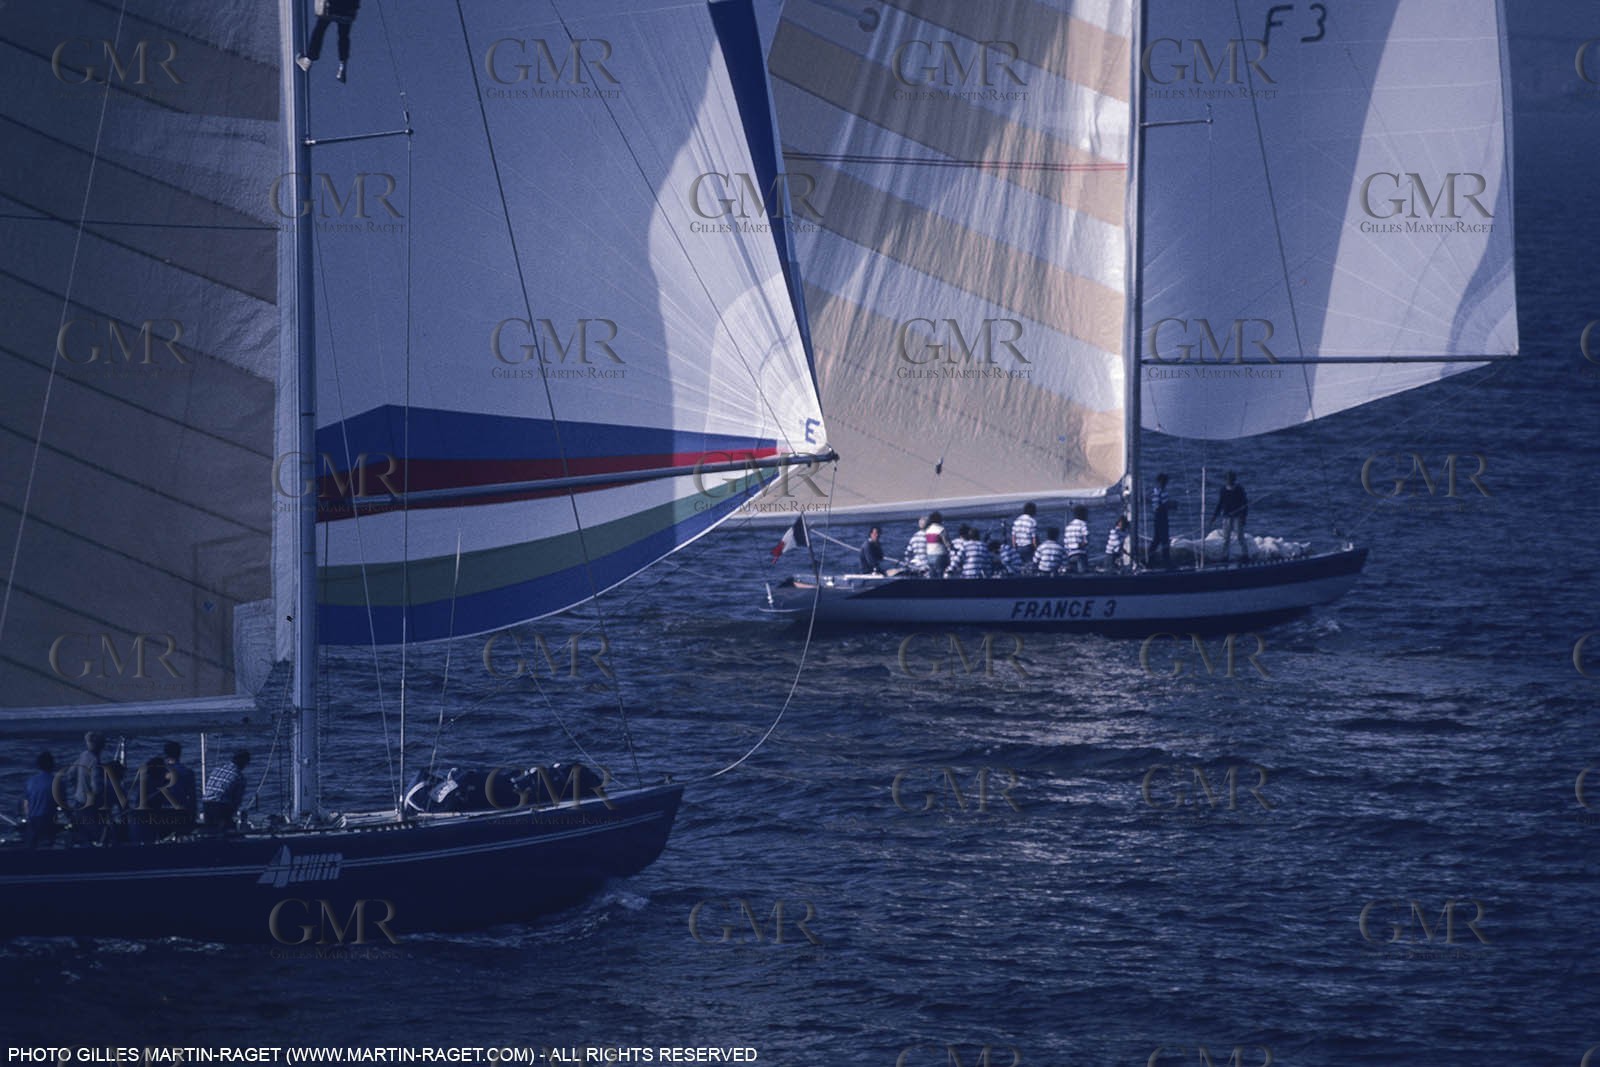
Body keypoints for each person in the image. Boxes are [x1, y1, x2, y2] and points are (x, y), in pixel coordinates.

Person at [297, 0, 361, 83]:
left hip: (332, 6)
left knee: (320, 30)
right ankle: (342, 66)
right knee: (344, 37)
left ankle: (308, 59)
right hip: (349, 9)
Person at [203, 750, 253, 833]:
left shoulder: (217, 769)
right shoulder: (239, 776)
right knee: (228, 831)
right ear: (243, 762)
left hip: (206, 803)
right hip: (220, 805)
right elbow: (236, 801)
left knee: (210, 831)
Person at [1211, 470, 1250, 562]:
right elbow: (1220, 504)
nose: (1229, 481)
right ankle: (1225, 556)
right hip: (1226, 517)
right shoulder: (1223, 490)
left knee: (1240, 537)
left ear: (1234, 479)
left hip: (1237, 516)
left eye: (1231, 479)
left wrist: (1244, 517)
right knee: (1226, 538)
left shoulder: (1239, 489)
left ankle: (1245, 555)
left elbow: (1245, 504)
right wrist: (1214, 516)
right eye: (1228, 479)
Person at [22, 752, 58, 849]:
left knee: (31, 847)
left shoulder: (30, 781)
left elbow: (26, 803)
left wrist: (28, 818)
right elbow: (63, 804)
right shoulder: (57, 782)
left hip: (33, 820)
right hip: (49, 820)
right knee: (49, 847)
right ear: (53, 765)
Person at [162, 740, 197, 836]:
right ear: (180, 753)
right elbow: (192, 798)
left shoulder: (160, 773)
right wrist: (193, 816)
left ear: (165, 754)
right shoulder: (187, 773)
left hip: (161, 813)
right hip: (180, 813)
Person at [1149, 473, 1172, 567]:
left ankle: (1150, 559)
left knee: (1157, 539)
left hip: (1157, 517)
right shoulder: (1161, 492)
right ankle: (1167, 561)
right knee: (1164, 539)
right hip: (1161, 517)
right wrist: (1172, 505)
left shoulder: (1155, 492)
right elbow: (1162, 506)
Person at [1063, 505, 1090, 573]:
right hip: (1080, 554)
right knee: (1083, 575)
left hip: (1070, 555)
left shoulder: (1068, 526)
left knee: (1073, 575)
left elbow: (1065, 543)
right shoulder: (1083, 524)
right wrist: (1082, 545)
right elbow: (1086, 539)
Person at [923, 512, 951, 578]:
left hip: (929, 555)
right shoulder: (941, 529)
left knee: (932, 575)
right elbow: (946, 543)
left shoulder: (927, 530)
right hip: (940, 555)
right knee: (940, 575)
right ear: (939, 520)